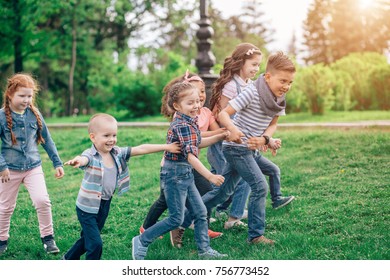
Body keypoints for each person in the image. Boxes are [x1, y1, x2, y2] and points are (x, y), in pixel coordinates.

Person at [202, 51, 296, 245]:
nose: (286, 86)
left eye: (290, 82)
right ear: (268, 77)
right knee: (260, 186)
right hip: (236, 148)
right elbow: (224, 115)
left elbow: (273, 123)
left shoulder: (278, 100)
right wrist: (233, 130)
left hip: (249, 150)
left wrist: (265, 139)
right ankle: (255, 236)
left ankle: (188, 216)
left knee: (223, 192)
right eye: (283, 81)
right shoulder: (252, 92)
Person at [62, 113, 181, 260]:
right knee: (96, 244)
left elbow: (141, 149)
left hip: (104, 205)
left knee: (87, 239)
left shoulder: (117, 153)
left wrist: (167, 146)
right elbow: (84, 159)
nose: (111, 139)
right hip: (86, 208)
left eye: (114, 135)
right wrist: (78, 161)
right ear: (93, 137)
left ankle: (67, 259)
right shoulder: (91, 155)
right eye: (106, 136)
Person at [132, 82, 228, 260]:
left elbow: (196, 142)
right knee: (176, 218)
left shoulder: (188, 120)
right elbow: (191, 156)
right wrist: (210, 176)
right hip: (175, 175)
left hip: (184, 173)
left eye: (198, 101)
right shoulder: (182, 125)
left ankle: (204, 250)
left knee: (199, 212)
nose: (197, 106)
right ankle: (142, 240)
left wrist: (219, 136)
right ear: (177, 106)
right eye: (190, 103)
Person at [0, 73, 64, 256]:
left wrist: (56, 162)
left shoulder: (35, 115)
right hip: (8, 171)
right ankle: (1, 240)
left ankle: (48, 238)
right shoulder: (1, 117)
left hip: (33, 168)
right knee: (5, 207)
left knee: (42, 201)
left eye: (29, 96)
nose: (26, 100)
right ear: (10, 94)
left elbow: (47, 140)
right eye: (22, 96)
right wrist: (2, 166)